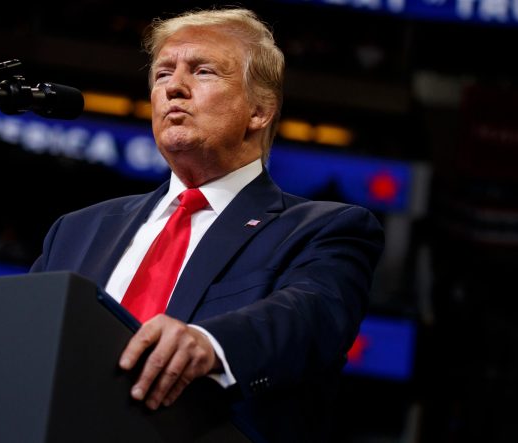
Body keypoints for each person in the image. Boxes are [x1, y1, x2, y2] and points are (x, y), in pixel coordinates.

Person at [30, 7, 384, 442]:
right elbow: (22, 344)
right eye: (162, 74)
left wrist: (209, 344)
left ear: (259, 111)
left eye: (202, 71)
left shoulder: (324, 229)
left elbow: (309, 315)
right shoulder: (77, 230)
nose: (173, 87)